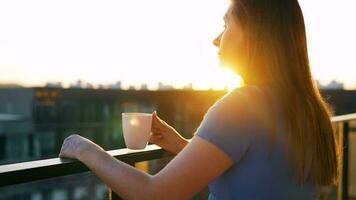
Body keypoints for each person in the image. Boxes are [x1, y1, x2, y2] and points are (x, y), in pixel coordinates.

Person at [59, 0, 339, 199]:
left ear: (255, 34)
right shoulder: (309, 110)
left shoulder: (243, 105)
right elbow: (260, 170)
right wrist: (183, 145)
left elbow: (154, 195)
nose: (216, 39)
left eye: (226, 25)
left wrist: (83, 148)